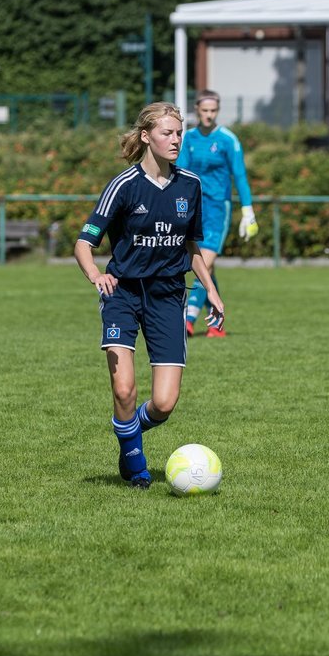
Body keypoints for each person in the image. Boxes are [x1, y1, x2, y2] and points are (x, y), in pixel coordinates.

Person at [74, 102, 224, 490]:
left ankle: (127, 432)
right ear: (146, 137)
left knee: (164, 404)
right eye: (167, 133)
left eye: (179, 133)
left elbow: (191, 246)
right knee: (123, 388)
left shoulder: (190, 185)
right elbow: (83, 243)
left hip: (168, 296)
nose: (175, 140)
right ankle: (135, 462)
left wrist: (211, 291)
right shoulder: (123, 185)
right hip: (123, 294)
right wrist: (95, 275)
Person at [176, 90, 257, 338]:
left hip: (216, 210)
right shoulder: (187, 138)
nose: (209, 115)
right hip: (192, 208)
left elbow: (240, 175)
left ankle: (187, 320)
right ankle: (216, 325)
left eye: (213, 111)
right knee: (206, 269)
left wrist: (248, 210)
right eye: (205, 110)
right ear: (197, 110)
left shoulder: (227, 140)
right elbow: (179, 172)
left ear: (217, 111)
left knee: (203, 264)